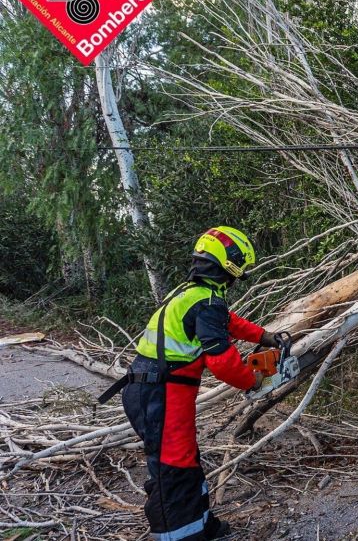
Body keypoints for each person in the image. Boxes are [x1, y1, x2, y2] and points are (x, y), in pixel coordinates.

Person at [99, 226, 280, 540]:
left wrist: (263, 336)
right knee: (174, 466)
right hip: (162, 392)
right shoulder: (206, 301)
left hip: (154, 389)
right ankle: (177, 535)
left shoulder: (193, 295)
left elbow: (229, 321)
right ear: (230, 266)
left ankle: (199, 523)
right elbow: (222, 361)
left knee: (185, 459)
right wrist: (251, 380)